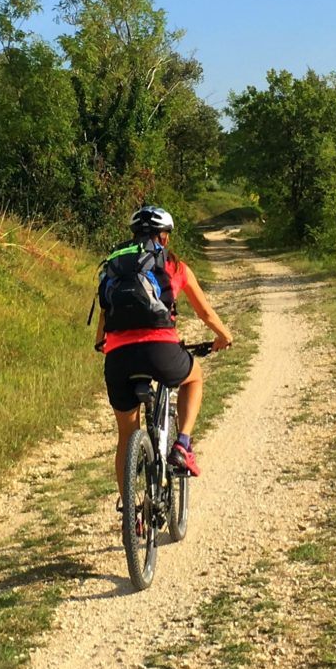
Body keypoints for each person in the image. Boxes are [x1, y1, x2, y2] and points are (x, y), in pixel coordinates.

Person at [95, 205, 235, 501]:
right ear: (165, 238)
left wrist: (106, 345)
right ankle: (182, 444)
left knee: (126, 435)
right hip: (161, 351)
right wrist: (223, 336)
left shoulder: (115, 266)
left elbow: (103, 324)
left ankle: (132, 518)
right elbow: (205, 313)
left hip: (119, 359)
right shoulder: (175, 266)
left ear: (133, 235)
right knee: (194, 378)